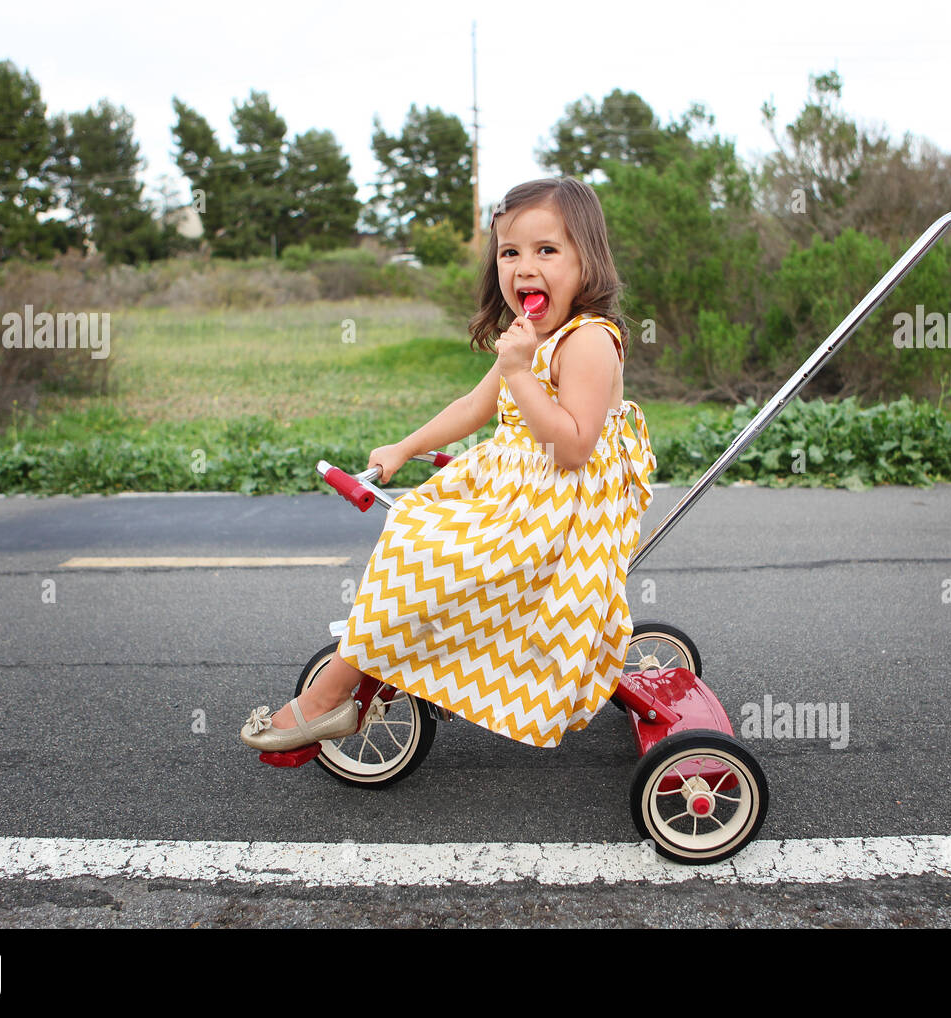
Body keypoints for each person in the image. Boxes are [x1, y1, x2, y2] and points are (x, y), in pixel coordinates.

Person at [241, 176, 655, 752]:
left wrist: (517, 371)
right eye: (510, 252)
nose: (524, 267)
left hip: (560, 515)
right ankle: (369, 667)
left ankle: (330, 696)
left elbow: (573, 447)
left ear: (589, 260)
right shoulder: (531, 335)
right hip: (519, 495)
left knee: (427, 559)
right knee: (414, 532)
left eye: (547, 250)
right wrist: (403, 448)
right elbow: (474, 407)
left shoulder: (586, 341)